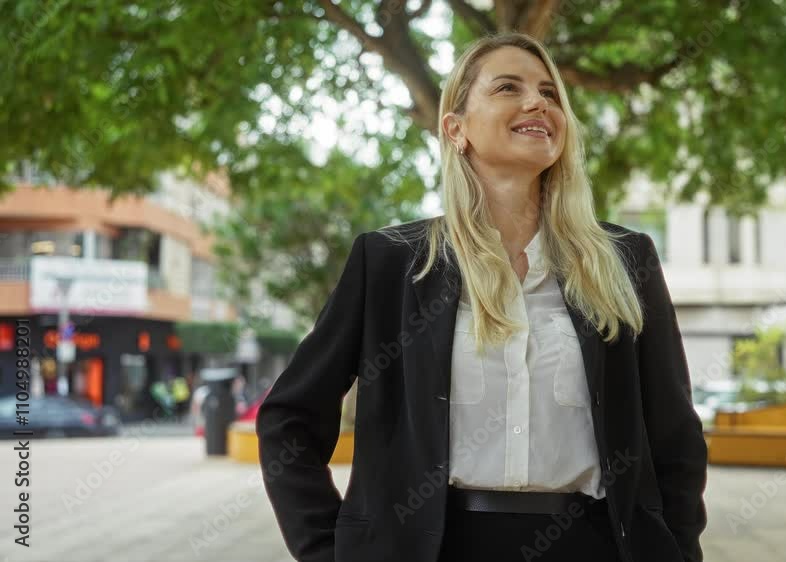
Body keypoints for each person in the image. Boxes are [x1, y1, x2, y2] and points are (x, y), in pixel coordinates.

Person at [257, 32, 707, 562]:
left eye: (549, 92)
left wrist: (679, 551)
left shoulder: (625, 260)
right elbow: (289, 418)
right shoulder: (390, 263)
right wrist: (325, 550)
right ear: (457, 129)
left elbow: (676, 437)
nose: (538, 102)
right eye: (508, 88)